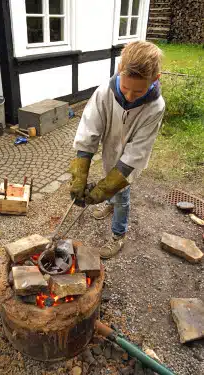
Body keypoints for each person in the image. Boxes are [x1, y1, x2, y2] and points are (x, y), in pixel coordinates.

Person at [70, 41, 165, 259]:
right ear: (119, 69)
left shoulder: (155, 107)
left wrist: (107, 188)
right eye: (125, 88)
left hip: (129, 161)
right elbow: (89, 129)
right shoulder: (104, 93)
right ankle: (110, 204)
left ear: (155, 79)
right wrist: (79, 172)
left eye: (139, 91)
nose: (130, 96)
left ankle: (118, 235)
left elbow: (137, 151)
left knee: (121, 193)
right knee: (107, 177)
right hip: (110, 151)